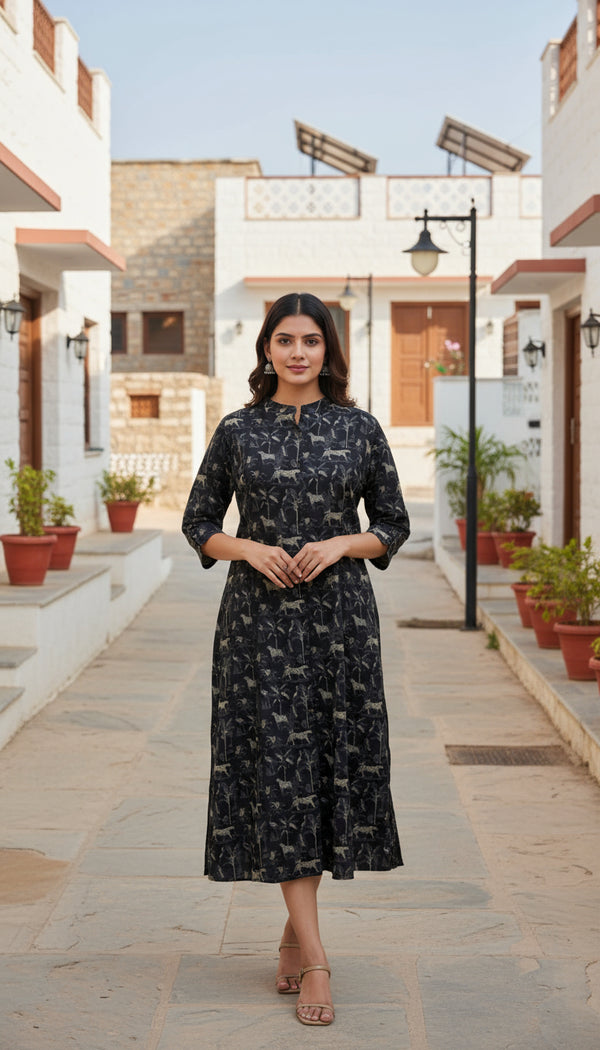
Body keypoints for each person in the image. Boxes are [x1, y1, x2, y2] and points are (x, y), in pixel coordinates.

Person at [182, 292, 410, 1027]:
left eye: (312, 340)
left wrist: (343, 542)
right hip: (257, 627)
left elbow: (394, 525)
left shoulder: (360, 427)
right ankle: (316, 959)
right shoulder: (238, 431)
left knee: (323, 769)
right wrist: (247, 547)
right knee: (278, 774)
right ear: (266, 349)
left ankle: (292, 931)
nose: (299, 352)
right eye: (285, 339)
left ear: (328, 349)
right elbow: (198, 522)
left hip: (341, 622)